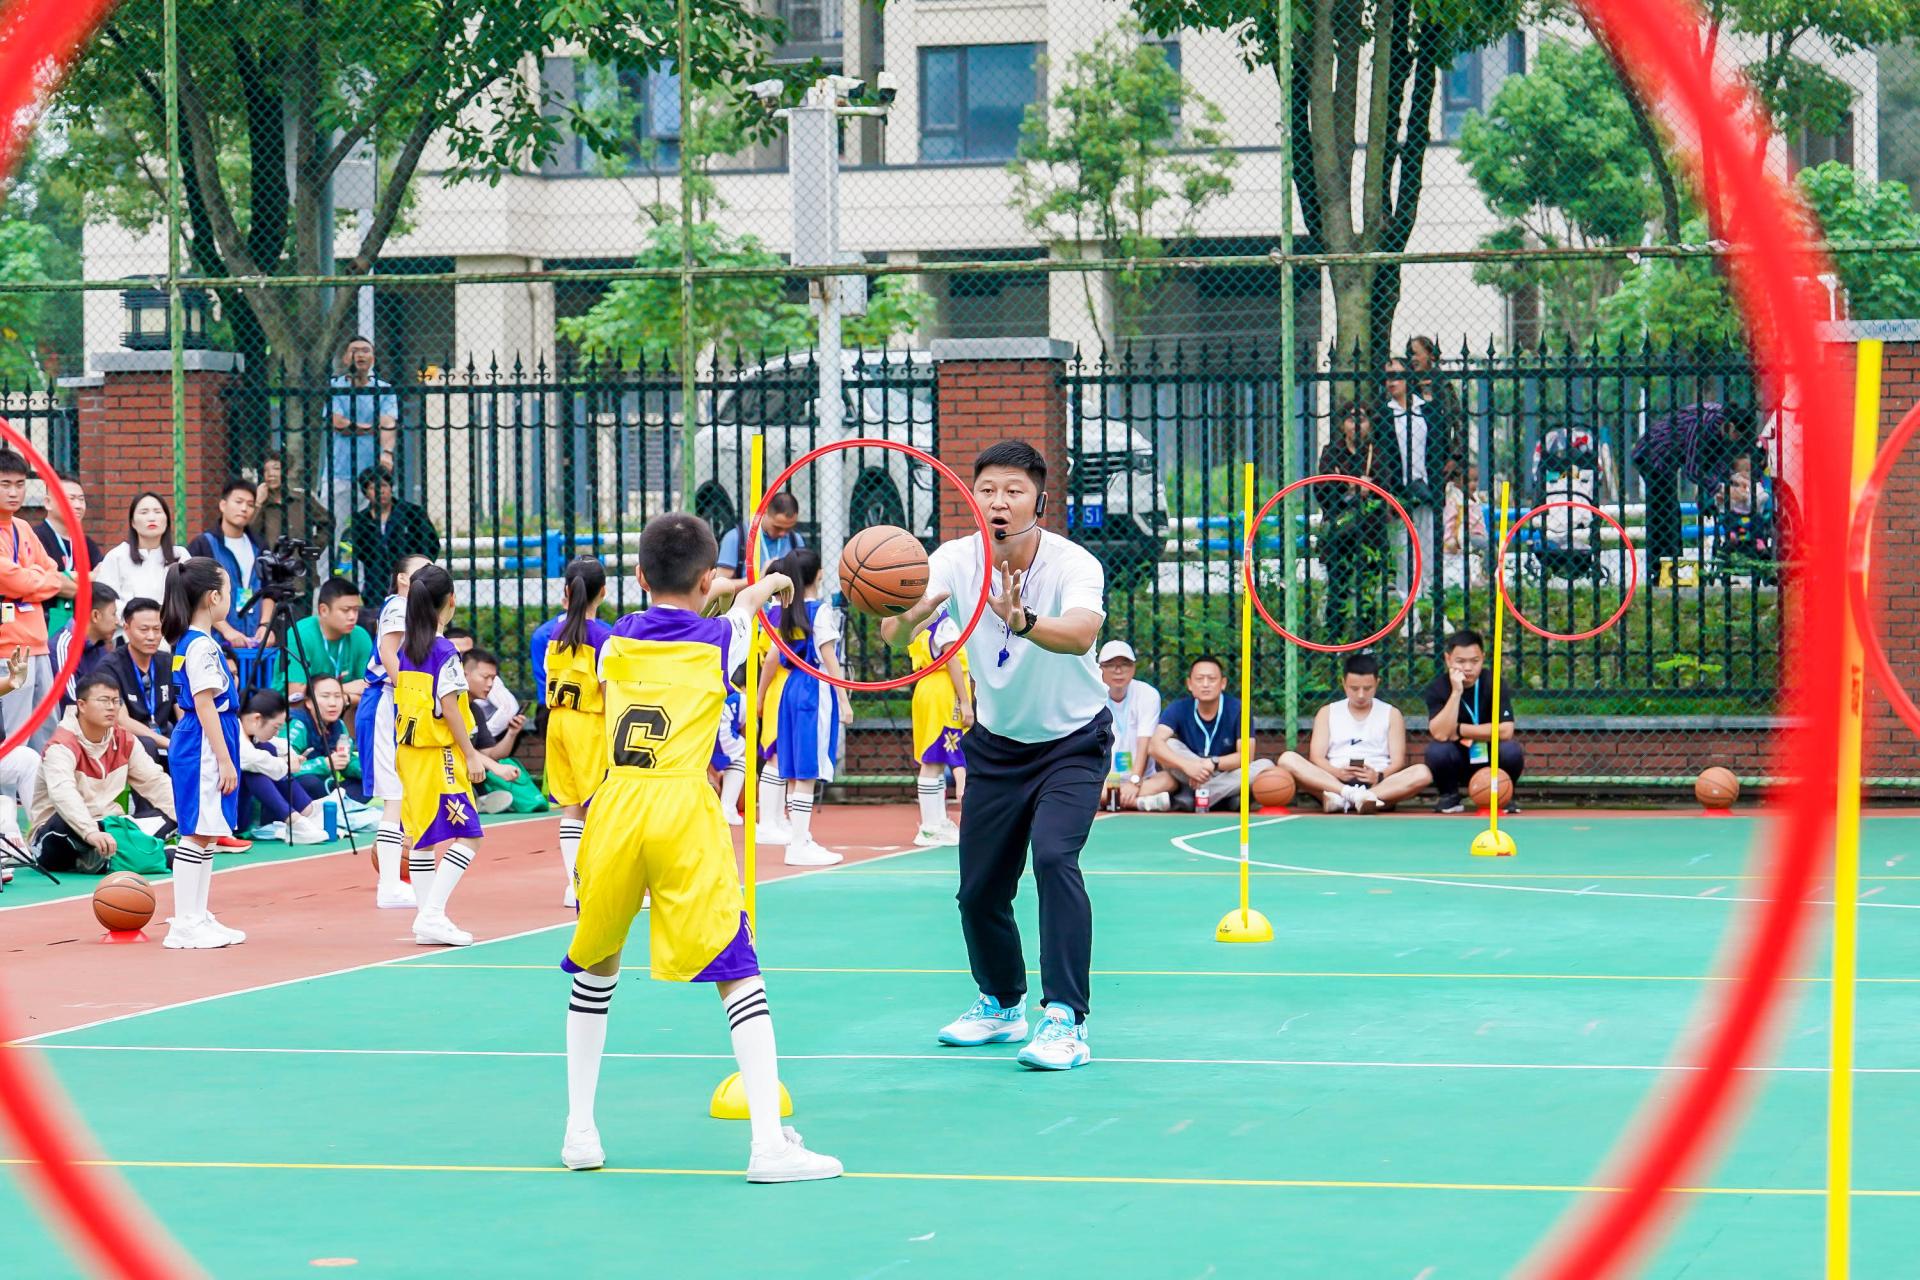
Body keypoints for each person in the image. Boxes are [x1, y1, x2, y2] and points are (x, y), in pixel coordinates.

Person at [558, 511, 839, 1182]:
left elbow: (701, 606)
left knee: (596, 966)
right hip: (683, 806)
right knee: (739, 969)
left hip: (616, 805)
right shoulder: (724, 638)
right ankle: (768, 1146)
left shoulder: (615, 641)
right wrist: (769, 585)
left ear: (637, 576)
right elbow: (742, 607)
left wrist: (735, 589)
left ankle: (579, 1131)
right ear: (708, 577)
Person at [880, 441, 1109, 1071]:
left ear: (1040, 499)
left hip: (1072, 742)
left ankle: (1065, 1018)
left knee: (1055, 859)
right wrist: (903, 610)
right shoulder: (954, 560)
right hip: (998, 745)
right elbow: (895, 633)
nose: (998, 501)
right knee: (978, 890)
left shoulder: (1073, 563)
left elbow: (1081, 634)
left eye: (1013, 490)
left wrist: (1024, 619)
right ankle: (1003, 1004)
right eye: (987, 490)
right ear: (972, 497)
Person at [393, 565, 519, 946]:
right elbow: (449, 707)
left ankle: (426, 917)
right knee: (470, 835)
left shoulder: (406, 649)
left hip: (410, 754)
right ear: (451, 600)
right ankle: (431, 914)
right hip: (439, 755)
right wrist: (471, 755)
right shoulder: (445, 651)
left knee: (423, 838)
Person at [160, 557, 246, 949]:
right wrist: (224, 758)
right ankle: (185, 922)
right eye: (228, 591)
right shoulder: (201, 646)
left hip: (203, 736)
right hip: (204, 742)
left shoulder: (193, 641)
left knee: (207, 832)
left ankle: (197, 914)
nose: (231, 598)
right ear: (213, 597)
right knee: (196, 832)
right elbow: (204, 703)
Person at [756, 549, 850, 869]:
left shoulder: (784, 610)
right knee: (808, 767)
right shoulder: (819, 611)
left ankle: (799, 836)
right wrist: (844, 699)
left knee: (795, 766)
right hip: (814, 686)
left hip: (790, 687)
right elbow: (830, 658)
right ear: (819, 574)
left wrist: (760, 695)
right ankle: (798, 844)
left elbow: (773, 656)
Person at [28, 672, 175, 874]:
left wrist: (192, 822)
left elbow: (156, 782)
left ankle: (109, 857)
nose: (112, 707)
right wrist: (90, 832)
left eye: (116, 701)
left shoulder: (125, 740)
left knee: (173, 813)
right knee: (65, 823)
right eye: (104, 700)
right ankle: (156, 854)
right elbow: (63, 794)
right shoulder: (61, 745)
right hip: (64, 834)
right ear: (81, 705)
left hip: (109, 826)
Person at [355, 554, 429, 908]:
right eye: (422, 570)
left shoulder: (411, 610)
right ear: (402, 578)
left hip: (394, 700)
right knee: (394, 795)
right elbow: (388, 652)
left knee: (400, 794)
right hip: (386, 701)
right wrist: (409, 694)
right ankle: (389, 885)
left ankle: (393, 883)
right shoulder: (399, 607)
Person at [1278, 654, 1434, 812]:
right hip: (1334, 783)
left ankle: (1352, 800)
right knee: (1287, 759)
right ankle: (1352, 796)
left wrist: (1378, 776)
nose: (1361, 695)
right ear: (1344, 683)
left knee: (1422, 773)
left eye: (1367, 688)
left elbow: (1398, 761)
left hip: (1378, 785)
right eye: (1354, 688)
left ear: (1377, 683)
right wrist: (1337, 773)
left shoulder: (1392, 714)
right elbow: (1317, 757)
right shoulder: (1327, 712)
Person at [543, 557, 611, 905]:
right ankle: (603, 884)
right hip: (589, 725)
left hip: (558, 722)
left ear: (566, 592)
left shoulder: (555, 634)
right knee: (602, 805)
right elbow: (610, 690)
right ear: (604, 592)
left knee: (571, 807)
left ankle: (575, 884)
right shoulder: (603, 637)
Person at [1134, 655, 1274, 814]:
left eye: (1212, 679)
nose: (1205, 684)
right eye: (1200, 679)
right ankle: (1224, 797)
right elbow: (1154, 746)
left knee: (1266, 766)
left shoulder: (1239, 709)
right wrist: (1188, 766)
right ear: (1189, 684)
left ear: (1223, 683)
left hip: (1225, 771)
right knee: (1169, 745)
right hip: (1190, 771)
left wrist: (1213, 763)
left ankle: (1196, 797)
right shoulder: (1179, 708)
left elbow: (1245, 756)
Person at [1631, 401, 1760, 573]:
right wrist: (1721, 488)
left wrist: (1733, 477)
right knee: (1663, 510)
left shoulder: (1720, 427)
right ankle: (1659, 568)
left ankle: (1669, 565)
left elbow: (1715, 459)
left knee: (1670, 511)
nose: (1736, 441)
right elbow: (1693, 470)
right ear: (1730, 427)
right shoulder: (1703, 423)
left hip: (1670, 460)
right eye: (1737, 436)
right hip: (1652, 455)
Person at [1316, 402, 1400, 641]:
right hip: (1340, 530)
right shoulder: (1331, 451)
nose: (1355, 425)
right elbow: (1323, 489)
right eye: (1351, 420)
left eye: (1361, 420)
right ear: (1343, 424)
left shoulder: (1378, 452)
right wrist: (1351, 485)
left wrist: (1363, 487)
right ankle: (1335, 638)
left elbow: (1384, 485)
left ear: (1369, 425)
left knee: (1367, 588)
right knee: (1338, 586)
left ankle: (1366, 639)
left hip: (1369, 530)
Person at [0, 448, 66, 748]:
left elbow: (53, 574)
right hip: (8, 649)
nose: (14, 492)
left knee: (47, 730)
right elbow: (13, 579)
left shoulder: (23, 527)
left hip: (38, 643)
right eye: (5, 484)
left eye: (20, 484)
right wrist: (31, 580)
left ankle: (45, 782)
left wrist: (29, 582)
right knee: (16, 735)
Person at [1423, 629, 1525, 814]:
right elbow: (1440, 734)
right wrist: (1456, 692)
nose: (1468, 668)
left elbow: (1505, 730)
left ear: (1483, 658)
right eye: (1460, 661)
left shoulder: (1494, 682)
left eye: (1474, 661)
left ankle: (1503, 795)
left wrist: (1460, 729)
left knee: (1511, 750)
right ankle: (1449, 796)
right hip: (1458, 758)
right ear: (1448, 659)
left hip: (1490, 756)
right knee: (1437, 751)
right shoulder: (1437, 688)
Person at [908, 604, 970, 846]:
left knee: (935, 757)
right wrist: (965, 701)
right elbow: (952, 660)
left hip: (926, 687)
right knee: (933, 759)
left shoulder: (916, 622)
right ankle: (930, 827)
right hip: (943, 691)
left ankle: (937, 821)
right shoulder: (944, 622)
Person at [187, 479, 276, 648]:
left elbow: (269, 589)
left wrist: (265, 625)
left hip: (254, 640)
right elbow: (194, 595)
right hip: (214, 642)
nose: (244, 508)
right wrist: (226, 630)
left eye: (250, 504)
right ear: (223, 505)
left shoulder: (259, 545)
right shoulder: (204, 544)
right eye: (238, 502)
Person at [235, 690, 329, 844]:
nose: (277, 732)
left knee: (267, 748)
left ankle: (307, 812)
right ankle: (296, 820)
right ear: (257, 718)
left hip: (239, 816)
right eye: (276, 727)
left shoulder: (249, 730)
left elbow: (278, 744)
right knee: (254, 769)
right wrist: (286, 765)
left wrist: (291, 756)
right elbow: (250, 759)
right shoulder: (231, 732)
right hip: (219, 820)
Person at [464, 647, 545, 816]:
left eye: (493, 678)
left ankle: (476, 798)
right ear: (465, 674)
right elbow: (458, 748)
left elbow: (491, 754)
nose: (490, 684)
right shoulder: (450, 708)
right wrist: (497, 768)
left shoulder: (475, 711)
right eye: (485, 677)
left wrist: (511, 733)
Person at [1383, 358, 1441, 595]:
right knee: (1403, 551)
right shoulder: (1385, 414)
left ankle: (1430, 598)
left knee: (1429, 548)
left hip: (1426, 488)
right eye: (1387, 377)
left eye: (1397, 376)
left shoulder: (1426, 410)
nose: (1392, 382)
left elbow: (1438, 449)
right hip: (1399, 490)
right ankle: (1408, 602)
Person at [343, 465, 441, 604]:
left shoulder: (412, 513)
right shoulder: (361, 520)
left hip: (411, 581)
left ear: (390, 487)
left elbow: (431, 545)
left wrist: (419, 570)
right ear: (366, 493)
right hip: (375, 586)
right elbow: (357, 552)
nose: (380, 491)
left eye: (384, 485)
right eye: (373, 488)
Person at [328, 335, 399, 521]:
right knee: (333, 527)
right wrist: (372, 427)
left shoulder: (384, 389)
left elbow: (388, 423)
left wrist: (387, 453)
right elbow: (338, 423)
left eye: (366, 351)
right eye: (354, 351)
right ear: (345, 358)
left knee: (373, 526)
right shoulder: (335, 387)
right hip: (339, 472)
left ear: (373, 358)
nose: (360, 355)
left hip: (373, 474)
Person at [104, 597, 177, 770]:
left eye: (157, 629)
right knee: (146, 745)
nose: (151, 636)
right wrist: (169, 743)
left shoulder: (168, 662)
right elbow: (121, 720)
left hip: (166, 737)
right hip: (127, 742)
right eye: (144, 630)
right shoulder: (110, 666)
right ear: (127, 629)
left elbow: (182, 709)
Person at [285, 577, 371, 710]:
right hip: (300, 711)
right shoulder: (300, 634)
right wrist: (341, 691)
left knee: (362, 706)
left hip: (343, 708)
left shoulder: (360, 635)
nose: (352, 616)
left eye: (355, 610)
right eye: (345, 610)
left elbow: (368, 688)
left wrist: (343, 699)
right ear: (323, 610)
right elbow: (296, 694)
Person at [94, 492, 190, 611]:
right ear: (133, 522)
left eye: (157, 512)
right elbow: (105, 601)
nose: (152, 518)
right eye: (144, 512)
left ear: (167, 520)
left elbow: (191, 597)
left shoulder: (181, 555)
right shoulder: (117, 556)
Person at [1094, 640, 1160, 811]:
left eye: (1125, 664)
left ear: (1133, 668)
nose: (1118, 670)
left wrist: (1134, 781)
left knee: (1169, 780)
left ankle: (1111, 800)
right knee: (1083, 787)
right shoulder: (1091, 696)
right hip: (1104, 780)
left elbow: (1145, 742)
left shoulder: (1148, 694)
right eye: (1111, 665)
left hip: (1141, 779)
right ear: (1100, 668)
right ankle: (1137, 802)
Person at [33, 472, 101, 636]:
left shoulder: (86, 543)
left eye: (81, 499)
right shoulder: (35, 537)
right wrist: (88, 578)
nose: (78, 505)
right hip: (44, 628)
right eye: (70, 499)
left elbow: (102, 579)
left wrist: (64, 578)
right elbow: (42, 581)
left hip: (82, 631)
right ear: (48, 503)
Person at [288, 674, 363, 820]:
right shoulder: (297, 725)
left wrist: (366, 771)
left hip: (326, 788)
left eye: (338, 696)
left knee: (367, 781)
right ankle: (333, 810)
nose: (333, 703)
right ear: (309, 702)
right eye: (325, 696)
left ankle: (336, 810)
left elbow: (347, 762)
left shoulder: (339, 725)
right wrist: (325, 764)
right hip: (301, 791)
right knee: (310, 782)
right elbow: (284, 769)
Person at [53, 581, 119, 709]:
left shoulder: (101, 646)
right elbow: (72, 702)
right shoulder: (64, 647)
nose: (117, 621)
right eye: (113, 614)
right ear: (95, 616)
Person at [251, 456, 333, 554]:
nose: (270, 474)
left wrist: (313, 549)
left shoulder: (302, 499)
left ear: (287, 472)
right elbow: (249, 533)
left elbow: (328, 522)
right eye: (265, 470)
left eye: (276, 469)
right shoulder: (259, 503)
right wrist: (258, 503)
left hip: (300, 561)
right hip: (271, 561)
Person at [717, 491, 804, 579]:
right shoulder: (735, 538)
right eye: (777, 527)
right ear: (765, 511)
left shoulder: (796, 540)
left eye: (789, 528)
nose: (782, 534)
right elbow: (720, 584)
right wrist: (760, 577)